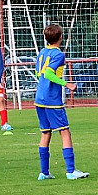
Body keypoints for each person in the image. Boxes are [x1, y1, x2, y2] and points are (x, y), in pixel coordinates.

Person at [34, 24, 89, 181]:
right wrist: (67, 84)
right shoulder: (58, 55)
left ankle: (44, 172)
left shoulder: (42, 52)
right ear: (60, 38)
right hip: (52, 100)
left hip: (40, 99)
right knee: (65, 132)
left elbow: (39, 73)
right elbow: (48, 73)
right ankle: (71, 171)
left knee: (45, 133)